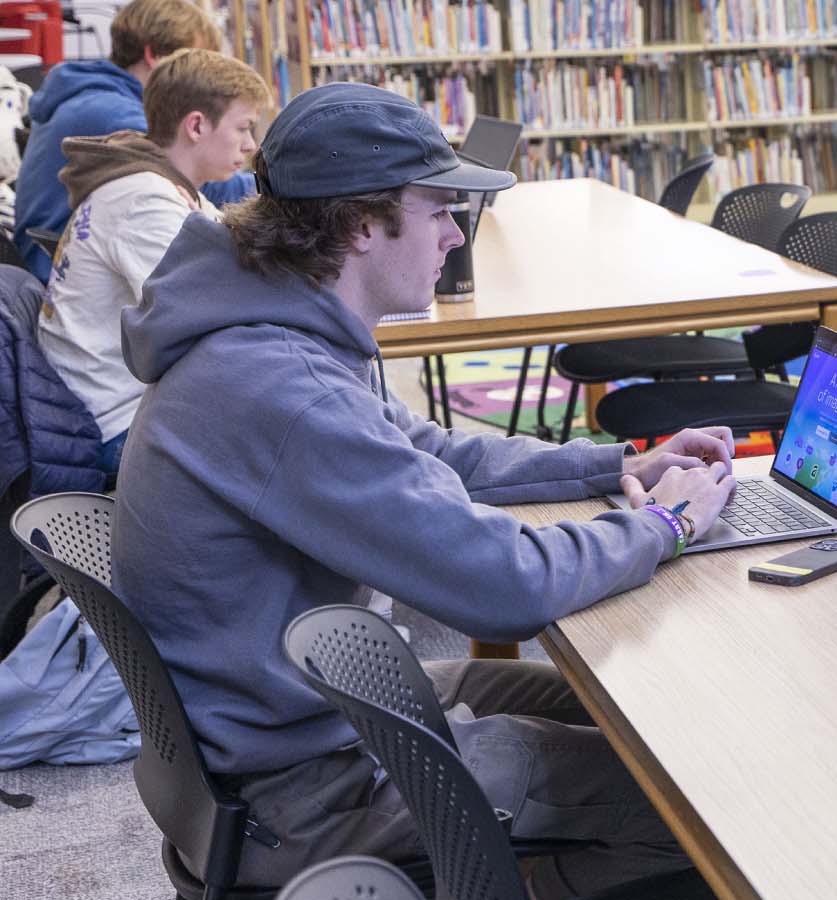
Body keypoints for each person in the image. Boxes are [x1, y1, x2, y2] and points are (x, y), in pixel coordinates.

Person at [112, 82, 738, 893]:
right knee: (693, 801)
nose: (454, 236)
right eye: (441, 209)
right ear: (361, 224)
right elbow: (503, 583)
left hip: (301, 709)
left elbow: (429, 452)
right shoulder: (281, 386)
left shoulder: (276, 327)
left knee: (620, 713)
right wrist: (667, 525)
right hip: (312, 785)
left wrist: (613, 466)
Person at [41, 48, 266, 473]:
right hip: (113, 425)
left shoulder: (169, 186)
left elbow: (234, 272)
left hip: (125, 402)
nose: (251, 145)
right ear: (196, 125)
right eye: (243, 128)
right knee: (276, 458)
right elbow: (208, 315)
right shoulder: (143, 199)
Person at [15, 0, 254, 279]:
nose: (209, 77)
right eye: (196, 59)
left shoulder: (95, 93)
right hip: (53, 271)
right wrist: (281, 183)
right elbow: (199, 185)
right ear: (154, 55)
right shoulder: (115, 114)